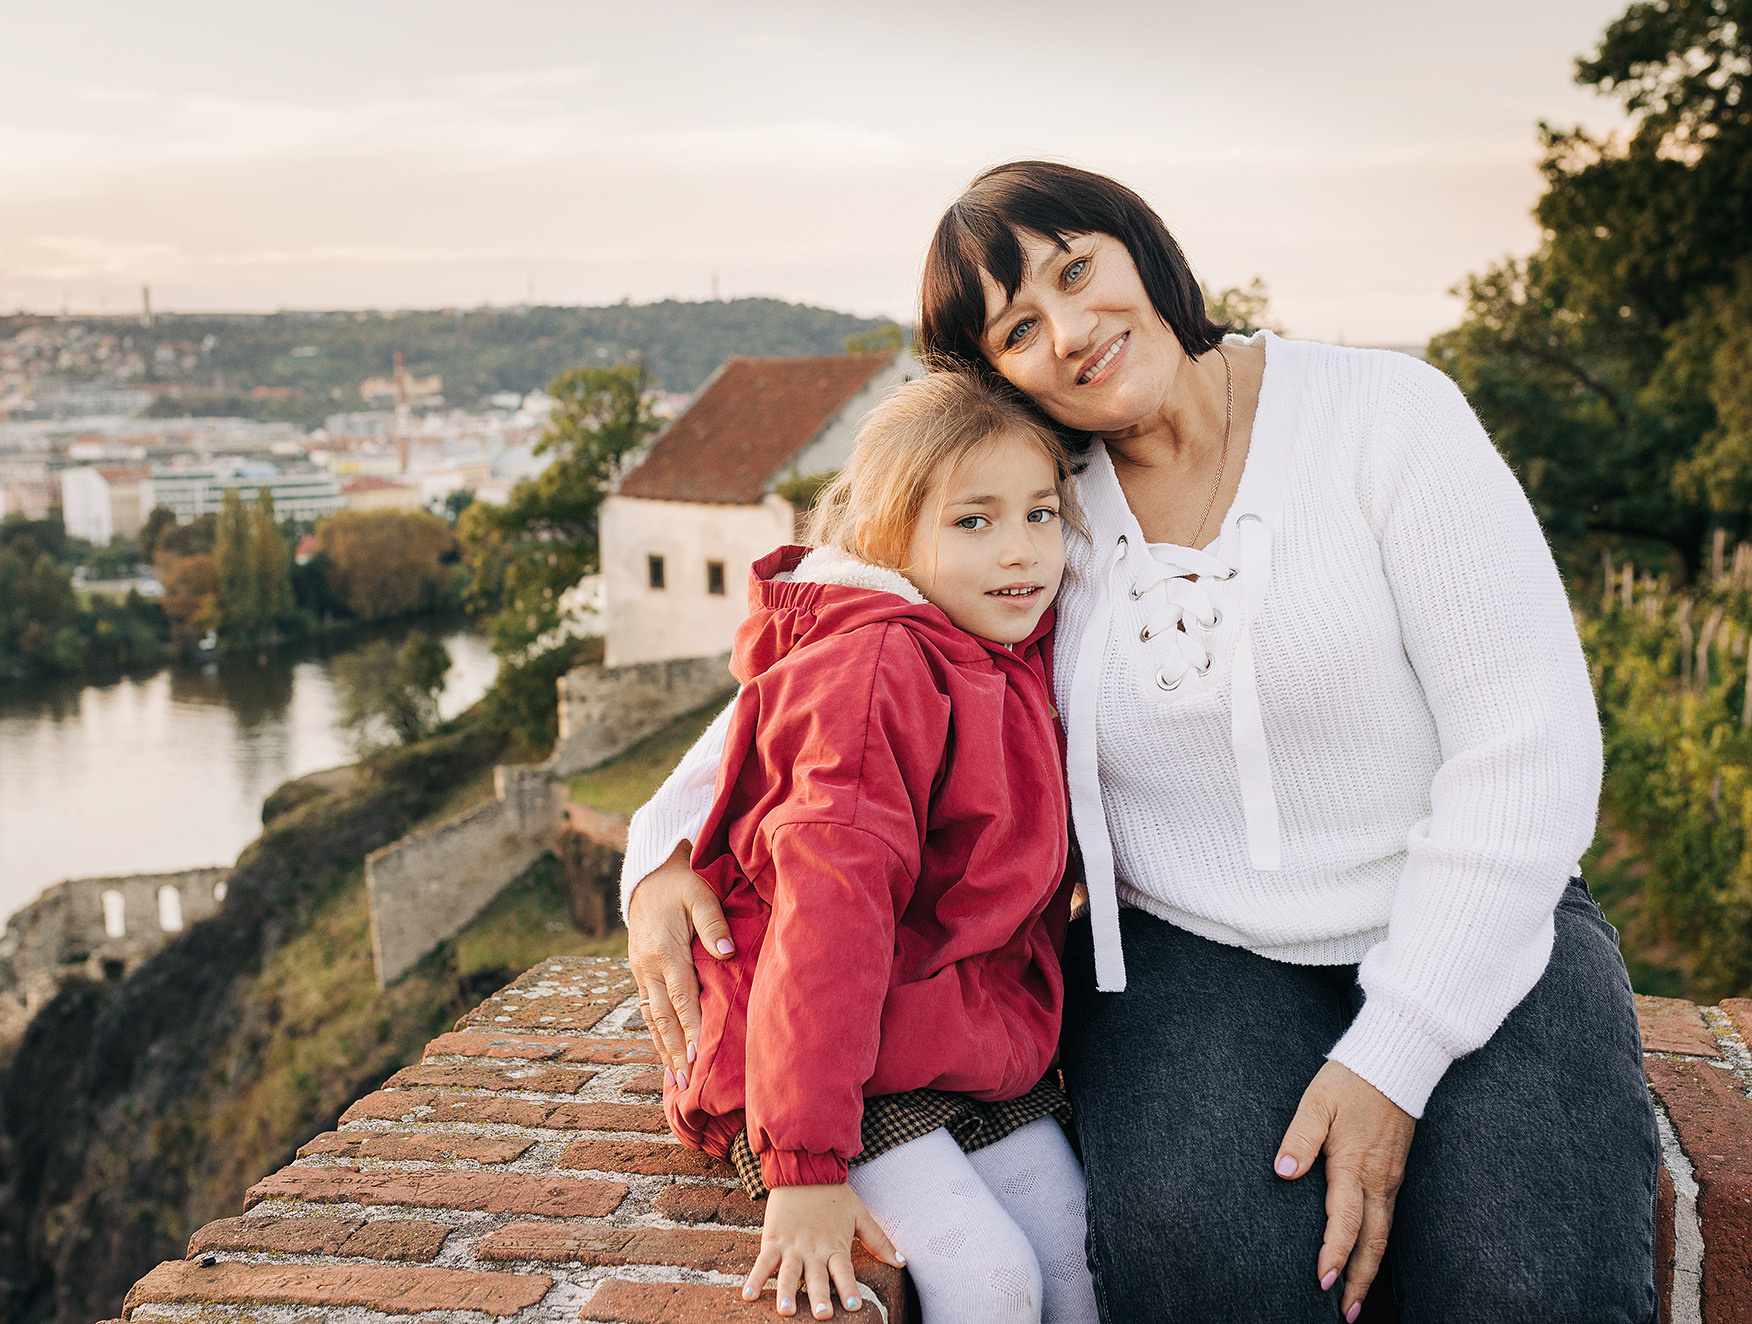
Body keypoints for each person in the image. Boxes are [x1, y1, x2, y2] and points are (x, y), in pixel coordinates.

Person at [623, 161, 1659, 1323]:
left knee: (1527, 1289)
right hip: (1188, 954)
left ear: (1137, 247)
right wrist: (661, 850)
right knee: (1204, 1277)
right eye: (1018, 328)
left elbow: (1530, 744)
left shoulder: (1386, 416)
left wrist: (1394, 1051)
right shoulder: (1030, 502)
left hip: (1470, 917)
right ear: (991, 377)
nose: (1070, 331)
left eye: (1076, 269)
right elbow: (838, 659)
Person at [662, 372, 1097, 1324]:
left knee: (1075, 1251)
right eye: (973, 522)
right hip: (823, 1059)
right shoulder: (874, 671)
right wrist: (806, 1166)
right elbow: (829, 921)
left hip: (950, 1034)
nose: (1022, 552)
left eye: (1039, 514)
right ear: (889, 536)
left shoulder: (995, 643)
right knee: (990, 1278)